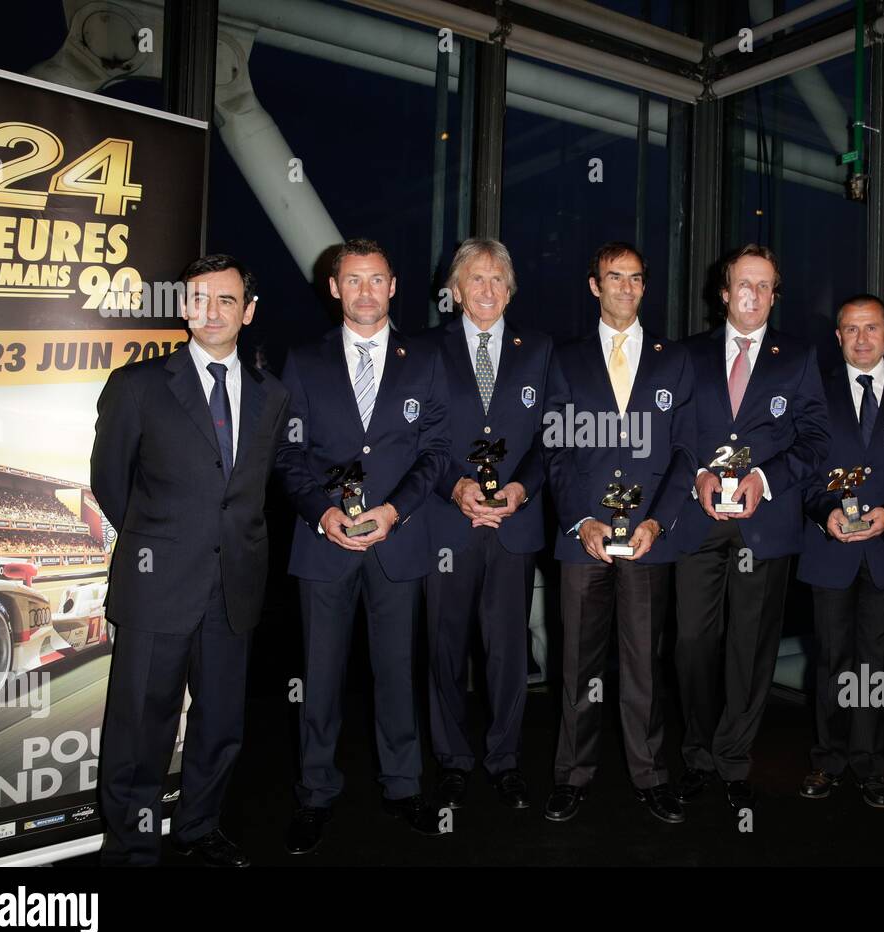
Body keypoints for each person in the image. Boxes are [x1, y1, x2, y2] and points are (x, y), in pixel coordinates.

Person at [91, 254, 289, 866]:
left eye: (228, 300)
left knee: (222, 722)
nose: (213, 311)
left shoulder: (270, 396)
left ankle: (198, 827)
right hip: (158, 587)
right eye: (201, 298)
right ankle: (132, 847)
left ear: (248, 312)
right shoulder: (138, 386)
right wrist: (162, 544)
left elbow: (254, 490)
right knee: (139, 730)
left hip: (234, 588)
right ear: (183, 307)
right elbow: (109, 483)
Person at [277, 238, 451, 852]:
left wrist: (396, 511)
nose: (365, 291)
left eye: (376, 279)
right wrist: (322, 511)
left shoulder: (424, 359)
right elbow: (288, 452)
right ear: (334, 288)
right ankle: (315, 794)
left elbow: (436, 452)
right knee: (318, 677)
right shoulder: (302, 360)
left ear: (393, 285)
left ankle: (403, 787)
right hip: (322, 544)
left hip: (396, 543)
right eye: (353, 280)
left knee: (396, 673)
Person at [672, 244, 830, 814]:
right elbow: (672, 432)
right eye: (745, 284)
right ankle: (695, 753)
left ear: (774, 294)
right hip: (698, 521)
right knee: (691, 644)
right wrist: (697, 476)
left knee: (751, 648)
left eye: (766, 287)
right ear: (723, 291)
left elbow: (816, 441)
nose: (755, 295)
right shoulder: (686, 355)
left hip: (765, 526)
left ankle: (733, 760)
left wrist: (765, 477)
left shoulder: (800, 358)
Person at [543, 241, 696, 825]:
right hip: (581, 537)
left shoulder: (674, 359)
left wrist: (660, 519)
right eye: (614, 277)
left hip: (649, 537)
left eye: (636, 278)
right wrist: (581, 519)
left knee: (643, 665)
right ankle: (572, 775)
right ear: (594, 286)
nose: (626, 288)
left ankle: (650, 775)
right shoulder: (565, 358)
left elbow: (685, 450)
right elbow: (554, 445)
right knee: (578, 664)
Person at [796, 294, 884, 810]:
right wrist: (823, 511)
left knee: (877, 666)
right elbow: (803, 468)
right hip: (828, 546)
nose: (862, 338)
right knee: (832, 661)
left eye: (871, 328)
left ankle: (871, 765)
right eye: (851, 330)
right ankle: (827, 760)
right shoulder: (814, 392)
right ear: (837, 337)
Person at [424, 239, 554, 811]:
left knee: (507, 651)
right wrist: (455, 486)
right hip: (446, 525)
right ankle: (452, 760)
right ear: (455, 291)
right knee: (444, 648)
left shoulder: (541, 351)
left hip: (513, 526)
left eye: (498, 280)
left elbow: (553, 437)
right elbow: (418, 437)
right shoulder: (425, 351)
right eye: (475, 279)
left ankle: (504, 760)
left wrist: (521, 489)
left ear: (510, 290)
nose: (487, 290)